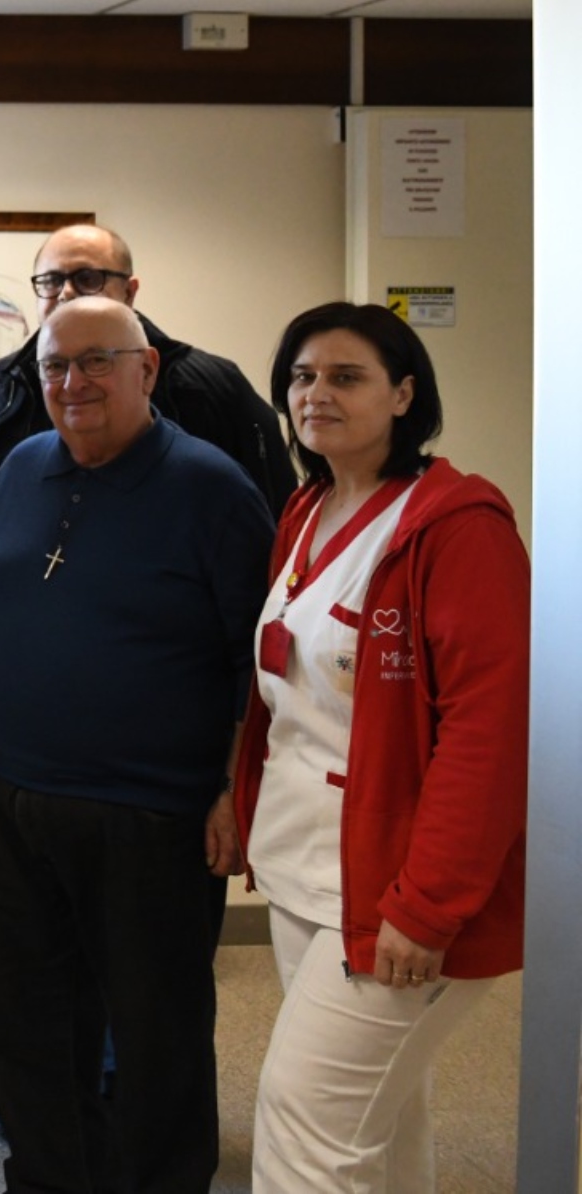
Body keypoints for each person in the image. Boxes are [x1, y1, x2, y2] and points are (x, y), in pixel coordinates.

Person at [0, 296, 272, 1194]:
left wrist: (231, 786)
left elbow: (260, 653)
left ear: (147, 369)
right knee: (22, 1022)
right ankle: (52, 1178)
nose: (72, 382)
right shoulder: (21, 465)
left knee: (155, 1032)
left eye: (96, 361)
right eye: (55, 366)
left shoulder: (210, 488)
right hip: (13, 795)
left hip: (153, 809)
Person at [230, 303, 527, 1193]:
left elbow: (492, 730)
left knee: (307, 1119)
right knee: (378, 1119)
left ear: (404, 394)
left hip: (396, 884)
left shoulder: (456, 525)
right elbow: (284, 691)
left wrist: (428, 905)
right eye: (301, 376)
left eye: (345, 376)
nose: (315, 394)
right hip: (304, 862)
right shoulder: (309, 507)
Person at [0, 222, 291, 518]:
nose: (66, 292)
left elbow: (269, 519)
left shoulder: (210, 388)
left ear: (129, 291)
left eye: (87, 278)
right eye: (51, 281)